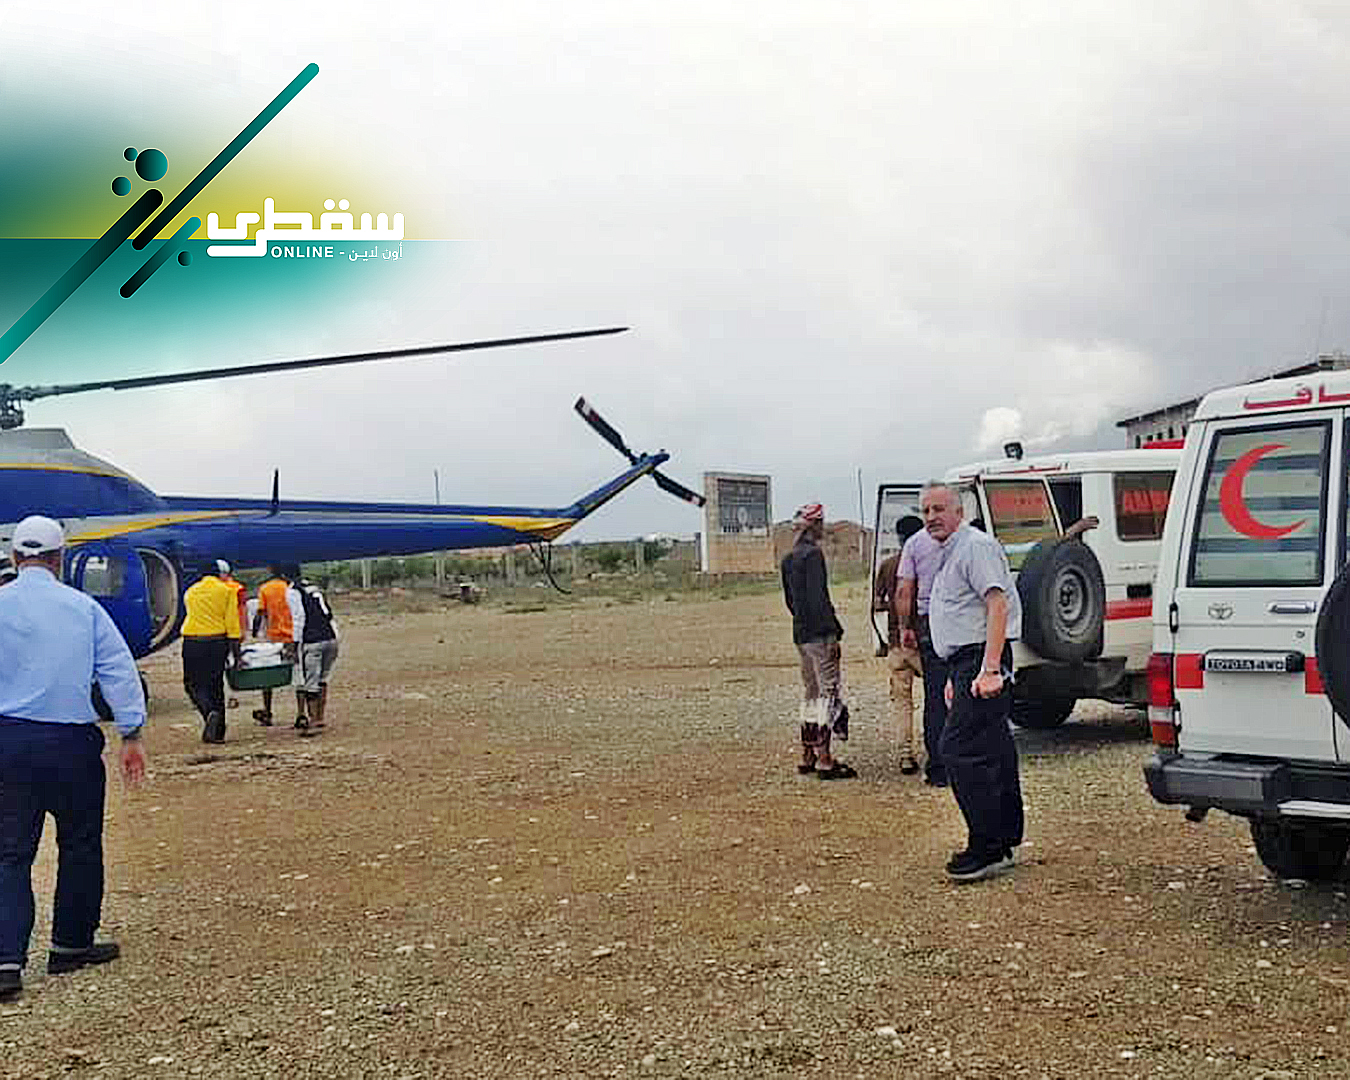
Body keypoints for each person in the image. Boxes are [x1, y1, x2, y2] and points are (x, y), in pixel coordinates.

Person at [0, 515, 146, 1001]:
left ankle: (5, 961)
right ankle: (70, 945)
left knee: (9, 852)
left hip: (8, 742)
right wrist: (130, 732)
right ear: (59, 558)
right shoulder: (84, 608)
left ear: (16, 557)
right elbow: (118, 670)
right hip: (71, 745)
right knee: (80, 844)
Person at [922, 482, 1026, 883]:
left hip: (983, 658)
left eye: (939, 509)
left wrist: (989, 668)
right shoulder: (950, 551)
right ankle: (1004, 840)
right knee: (994, 746)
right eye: (926, 510)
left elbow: (997, 604)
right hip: (968, 661)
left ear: (958, 511)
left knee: (957, 748)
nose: (931, 517)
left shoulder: (975, 547)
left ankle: (986, 845)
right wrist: (957, 672)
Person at [780, 502, 855, 780]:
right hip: (819, 634)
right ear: (815, 525)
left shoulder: (789, 558)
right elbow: (819, 598)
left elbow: (790, 601)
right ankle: (825, 758)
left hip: (801, 633)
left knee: (810, 695)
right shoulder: (813, 556)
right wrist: (833, 632)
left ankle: (808, 753)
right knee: (827, 694)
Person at [895, 502, 952, 787]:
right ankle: (965, 763)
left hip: (929, 623)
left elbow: (903, 591)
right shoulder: (965, 539)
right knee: (964, 694)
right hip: (962, 622)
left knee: (935, 698)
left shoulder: (914, 544)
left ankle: (939, 768)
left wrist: (905, 627)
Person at [873, 515, 926, 775]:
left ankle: (906, 755)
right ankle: (936, 750)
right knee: (937, 696)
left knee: (902, 702)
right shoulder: (926, 563)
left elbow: (877, 603)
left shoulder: (887, 565)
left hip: (896, 644)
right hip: (923, 642)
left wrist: (892, 609)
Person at [181, 562, 243, 743]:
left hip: (192, 640)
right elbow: (232, 623)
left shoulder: (191, 591)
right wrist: (237, 655)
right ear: (218, 574)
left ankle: (209, 712)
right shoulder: (227, 591)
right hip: (217, 641)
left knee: (192, 684)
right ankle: (218, 733)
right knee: (216, 686)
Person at [252, 565, 305, 727]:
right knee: (298, 676)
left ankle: (268, 712)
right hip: (294, 637)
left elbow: (260, 612)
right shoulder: (291, 587)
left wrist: (254, 631)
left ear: (270, 570)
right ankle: (301, 713)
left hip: (274, 637)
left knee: (267, 676)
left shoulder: (265, 588)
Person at [295, 574, 339, 736]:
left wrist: (293, 645)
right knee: (323, 679)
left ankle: (313, 720)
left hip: (312, 641)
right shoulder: (316, 591)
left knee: (310, 682)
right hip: (331, 638)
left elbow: (298, 620)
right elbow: (329, 615)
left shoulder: (294, 593)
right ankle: (320, 717)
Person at [216, 560, 247, 709]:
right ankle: (232, 695)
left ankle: (229, 695)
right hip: (234, 630)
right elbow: (243, 609)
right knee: (231, 662)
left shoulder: (218, 589)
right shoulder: (238, 587)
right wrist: (243, 629)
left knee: (222, 664)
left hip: (220, 631)